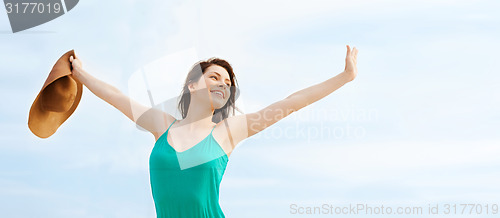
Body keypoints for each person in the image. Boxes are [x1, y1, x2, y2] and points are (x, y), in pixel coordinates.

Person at [69, 45, 358, 218]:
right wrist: (80, 74)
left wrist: (344, 77)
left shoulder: (228, 131)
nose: (223, 84)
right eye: (215, 77)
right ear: (193, 85)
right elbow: (116, 96)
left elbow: (291, 103)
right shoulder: (161, 125)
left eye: (228, 83)